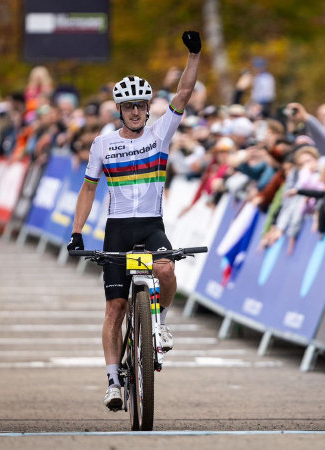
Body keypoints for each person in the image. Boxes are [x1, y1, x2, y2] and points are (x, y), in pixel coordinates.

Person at [66, 30, 201, 411]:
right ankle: (112, 380)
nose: (137, 112)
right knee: (115, 309)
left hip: (151, 224)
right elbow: (89, 189)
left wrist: (194, 55)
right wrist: (77, 232)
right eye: (130, 108)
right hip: (118, 230)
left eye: (142, 106)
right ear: (119, 111)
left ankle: (157, 320)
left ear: (147, 107)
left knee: (167, 271)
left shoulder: (161, 132)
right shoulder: (103, 144)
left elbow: (185, 93)